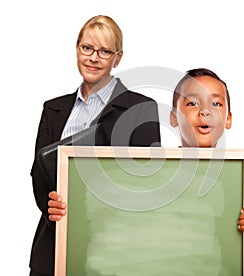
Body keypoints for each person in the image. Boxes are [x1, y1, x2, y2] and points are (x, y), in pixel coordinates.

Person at [30, 15, 161, 276]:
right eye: (87, 48)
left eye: (104, 51)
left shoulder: (140, 109)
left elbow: (148, 179)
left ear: (118, 58)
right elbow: (39, 172)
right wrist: (51, 207)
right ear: (77, 49)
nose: (93, 57)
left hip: (113, 243)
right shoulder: (53, 108)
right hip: (55, 237)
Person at [169, 67, 244, 255]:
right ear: (173, 117)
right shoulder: (156, 169)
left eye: (216, 104)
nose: (205, 111)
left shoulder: (240, 175)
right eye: (192, 103)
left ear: (228, 119)